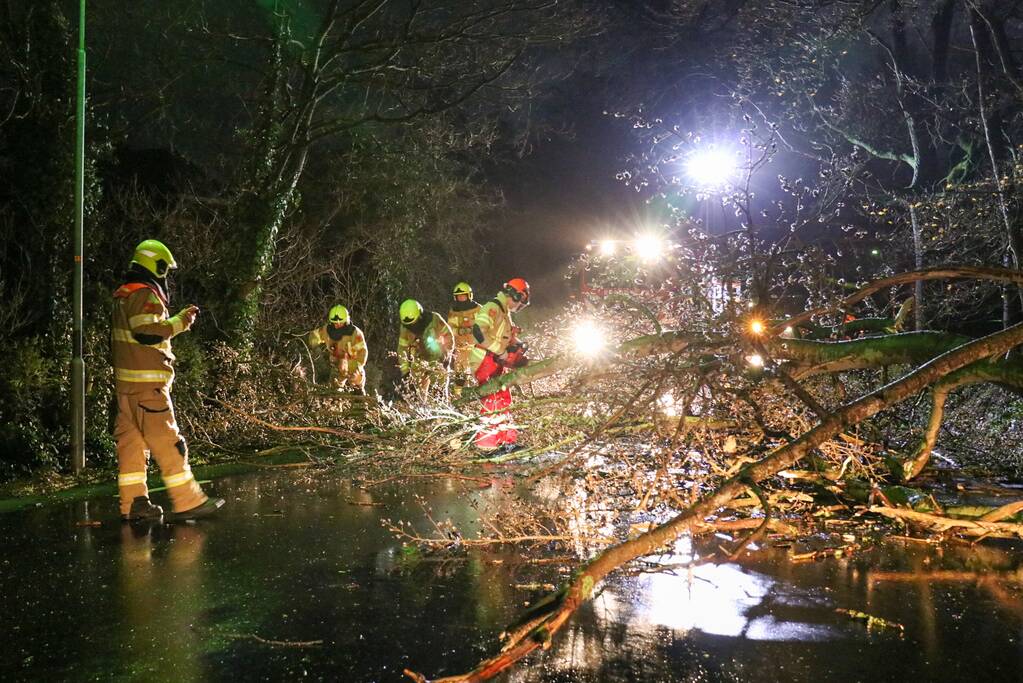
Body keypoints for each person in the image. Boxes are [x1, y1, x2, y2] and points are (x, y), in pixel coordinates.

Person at [111, 239, 224, 521]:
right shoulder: (144, 294)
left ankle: (134, 504)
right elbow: (147, 331)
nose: (166, 276)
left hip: (126, 389)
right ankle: (189, 501)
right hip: (147, 389)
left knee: (132, 449)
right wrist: (181, 322)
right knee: (169, 444)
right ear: (156, 265)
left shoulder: (123, 295)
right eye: (165, 269)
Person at [468, 278, 530, 451]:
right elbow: (478, 331)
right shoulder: (493, 308)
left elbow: (505, 337)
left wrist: (518, 346)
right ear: (516, 295)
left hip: (494, 362)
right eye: (520, 301)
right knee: (492, 400)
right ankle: (486, 445)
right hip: (484, 360)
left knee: (503, 398)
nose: (519, 306)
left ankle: (506, 442)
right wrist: (501, 352)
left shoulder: (504, 313)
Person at [397, 298, 454, 397]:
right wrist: (405, 372)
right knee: (416, 395)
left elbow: (449, 337)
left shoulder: (435, 319)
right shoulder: (405, 328)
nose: (412, 326)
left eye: (413, 322)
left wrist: (446, 356)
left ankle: (439, 404)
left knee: (438, 392)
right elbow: (402, 348)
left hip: (437, 359)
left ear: (420, 314)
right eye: (408, 324)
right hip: (418, 362)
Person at [308, 304, 368, 394]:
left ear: (346, 320)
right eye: (335, 323)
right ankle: (337, 397)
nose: (338, 325)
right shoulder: (327, 330)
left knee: (357, 385)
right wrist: (314, 345)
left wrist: (357, 368)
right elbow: (314, 336)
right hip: (336, 365)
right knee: (334, 390)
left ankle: (359, 395)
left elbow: (362, 352)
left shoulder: (355, 333)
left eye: (341, 322)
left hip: (353, 366)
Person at [447, 282, 481, 396]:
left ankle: (479, 397)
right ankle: (459, 397)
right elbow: (449, 329)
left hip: (477, 348)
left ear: (469, 296)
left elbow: (485, 325)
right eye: (459, 296)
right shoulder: (453, 312)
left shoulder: (478, 309)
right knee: (460, 377)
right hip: (460, 349)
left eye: (463, 296)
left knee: (478, 374)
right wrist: (459, 331)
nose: (461, 298)